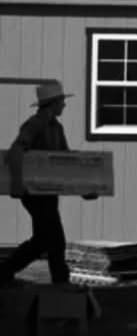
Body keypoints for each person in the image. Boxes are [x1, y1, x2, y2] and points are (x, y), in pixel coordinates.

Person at [0, 80, 98, 287]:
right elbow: (16, 151)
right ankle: (61, 283)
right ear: (53, 103)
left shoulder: (57, 128)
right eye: (62, 101)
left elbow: (65, 163)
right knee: (55, 239)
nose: (64, 105)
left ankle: (4, 272)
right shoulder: (35, 124)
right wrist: (17, 183)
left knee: (43, 239)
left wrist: (84, 189)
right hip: (32, 192)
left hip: (48, 193)